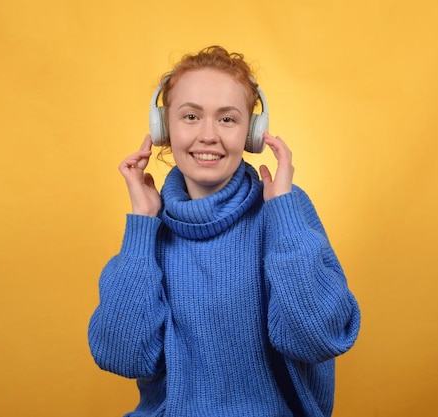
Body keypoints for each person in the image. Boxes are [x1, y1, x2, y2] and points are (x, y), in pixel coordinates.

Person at [88, 45, 361, 417]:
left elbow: (318, 338)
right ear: (164, 127)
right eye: (190, 116)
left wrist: (282, 213)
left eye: (227, 119)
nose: (208, 135)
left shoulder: (285, 210)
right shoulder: (150, 226)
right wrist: (143, 224)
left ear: (252, 132)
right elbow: (123, 356)